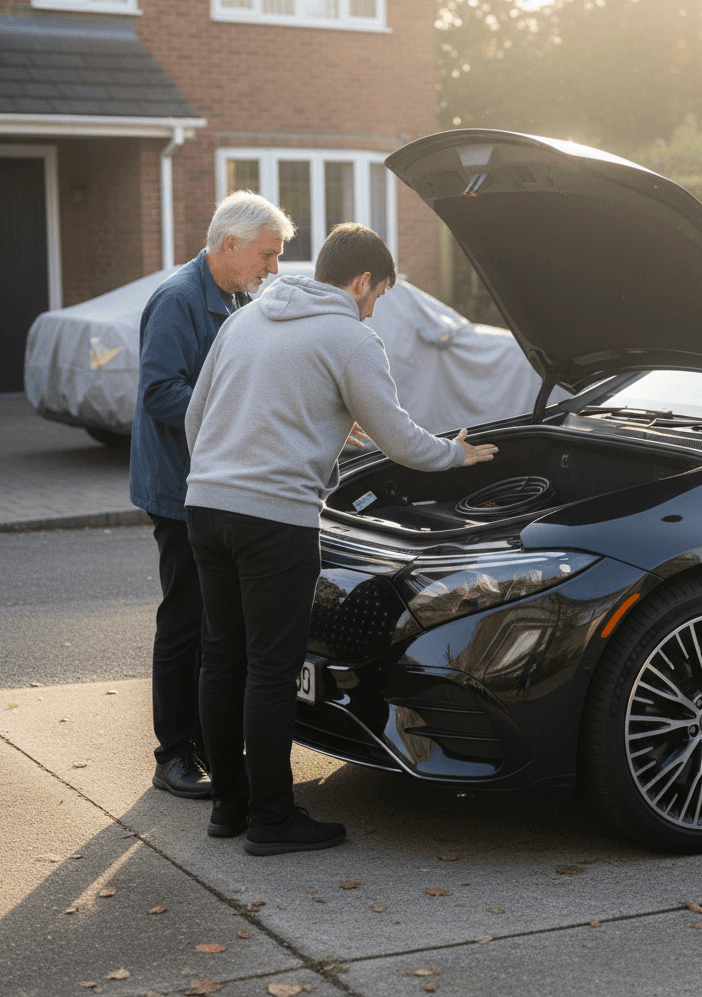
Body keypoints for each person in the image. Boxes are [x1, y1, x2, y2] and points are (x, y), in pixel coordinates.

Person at [184, 222, 499, 855]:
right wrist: (456, 455)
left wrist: (226, 473)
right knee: (271, 668)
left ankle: (229, 807)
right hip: (275, 520)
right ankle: (272, 821)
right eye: (378, 294)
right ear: (360, 281)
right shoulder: (351, 337)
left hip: (206, 505)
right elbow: (401, 439)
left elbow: (197, 416)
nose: (375, 307)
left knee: (222, 658)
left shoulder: (245, 319)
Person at [130, 192, 295, 799]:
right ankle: (173, 755)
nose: (273, 268)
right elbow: (159, 393)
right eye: (267, 255)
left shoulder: (236, 297)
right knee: (185, 622)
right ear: (229, 244)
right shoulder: (178, 299)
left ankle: (206, 745)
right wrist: (236, 413)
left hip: (216, 486)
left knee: (216, 628)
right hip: (179, 488)